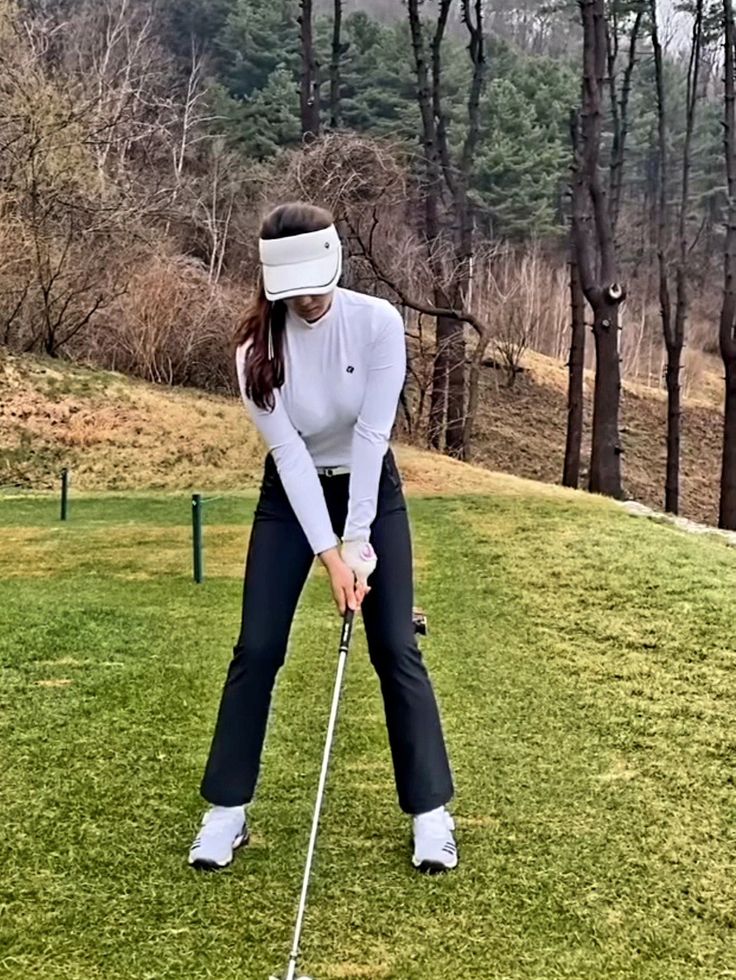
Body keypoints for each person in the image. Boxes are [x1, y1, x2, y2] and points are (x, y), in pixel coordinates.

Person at [188, 202, 457, 875]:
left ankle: (432, 815)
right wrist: (329, 556)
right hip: (292, 495)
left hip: (371, 487)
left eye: (316, 284)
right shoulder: (256, 350)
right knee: (257, 646)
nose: (308, 300)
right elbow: (290, 458)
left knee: (395, 645)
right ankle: (226, 812)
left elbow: (372, 437)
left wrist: (359, 541)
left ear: (335, 263)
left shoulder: (377, 324)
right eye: (294, 289)